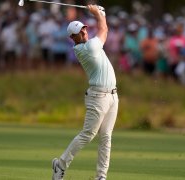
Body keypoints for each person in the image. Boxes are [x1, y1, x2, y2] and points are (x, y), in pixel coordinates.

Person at [52, 5, 118, 180]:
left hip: (112, 96)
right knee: (88, 135)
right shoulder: (87, 49)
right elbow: (104, 29)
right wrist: (98, 14)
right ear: (73, 37)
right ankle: (60, 164)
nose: (84, 33)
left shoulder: (90, 44)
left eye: (84, 29)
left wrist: (101, 14)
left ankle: (101, 176)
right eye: (80, 32)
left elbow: (102, 27)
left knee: (106, 137)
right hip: (98, 97)